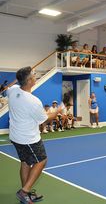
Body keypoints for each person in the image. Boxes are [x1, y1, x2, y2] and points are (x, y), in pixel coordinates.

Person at [7, 66, 62, 204]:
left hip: (15, 136)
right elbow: (45, 119)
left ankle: (25, 193)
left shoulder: (12, 91)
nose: (35, 75)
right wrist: (58, 110)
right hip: (28, 138)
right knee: (42, 160)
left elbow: (10, 87)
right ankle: (24, 191)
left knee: (25, 162)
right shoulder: (33, 101)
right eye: (33, 75)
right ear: (30, 80)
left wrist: (21, 75)